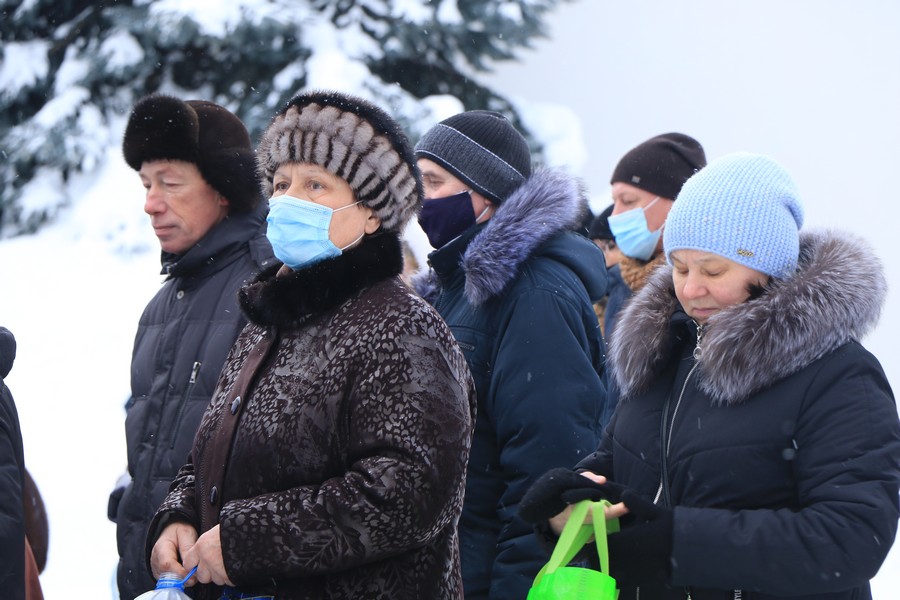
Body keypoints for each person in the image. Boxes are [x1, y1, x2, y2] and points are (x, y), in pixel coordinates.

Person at [520, 153, 900, 599]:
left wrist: (680, 544)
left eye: (713, 270)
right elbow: (628, 461)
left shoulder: (837, 374)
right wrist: (578, 493)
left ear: (769, 267)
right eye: (679, 267)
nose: (690, 288)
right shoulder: (666, 348)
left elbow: (851, 537)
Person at [145, 90, 476, 599]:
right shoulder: (268, 318)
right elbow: (211, 451)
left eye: (315, 184)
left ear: (371, 214)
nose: (287, 199)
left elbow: (410, 493)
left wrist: (247, 541)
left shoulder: (402, 326)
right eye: (280, 184)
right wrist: (181, 516)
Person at [413, 110, 609, 598]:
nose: (421, 199)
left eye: (434, 181)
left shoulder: (534, 294)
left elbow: (544, 479)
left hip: (482, 578)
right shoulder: (453, 289)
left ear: (487, 195)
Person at [110, 94, 275, 600]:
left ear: (224, 190)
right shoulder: (163, 305)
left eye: (171, 183)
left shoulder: (268, 289)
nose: (150, 203)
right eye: (145, 184)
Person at [604, 132, 706, 336]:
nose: (614, 215)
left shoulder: (699, 286)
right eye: (615, 202)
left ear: (676, 203)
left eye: (629, 201)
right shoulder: (616, 280)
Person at [588, 204, 627, 341]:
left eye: (610, 246)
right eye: (597, 249)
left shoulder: (636, 293)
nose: (603, 257)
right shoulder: (596, 301)